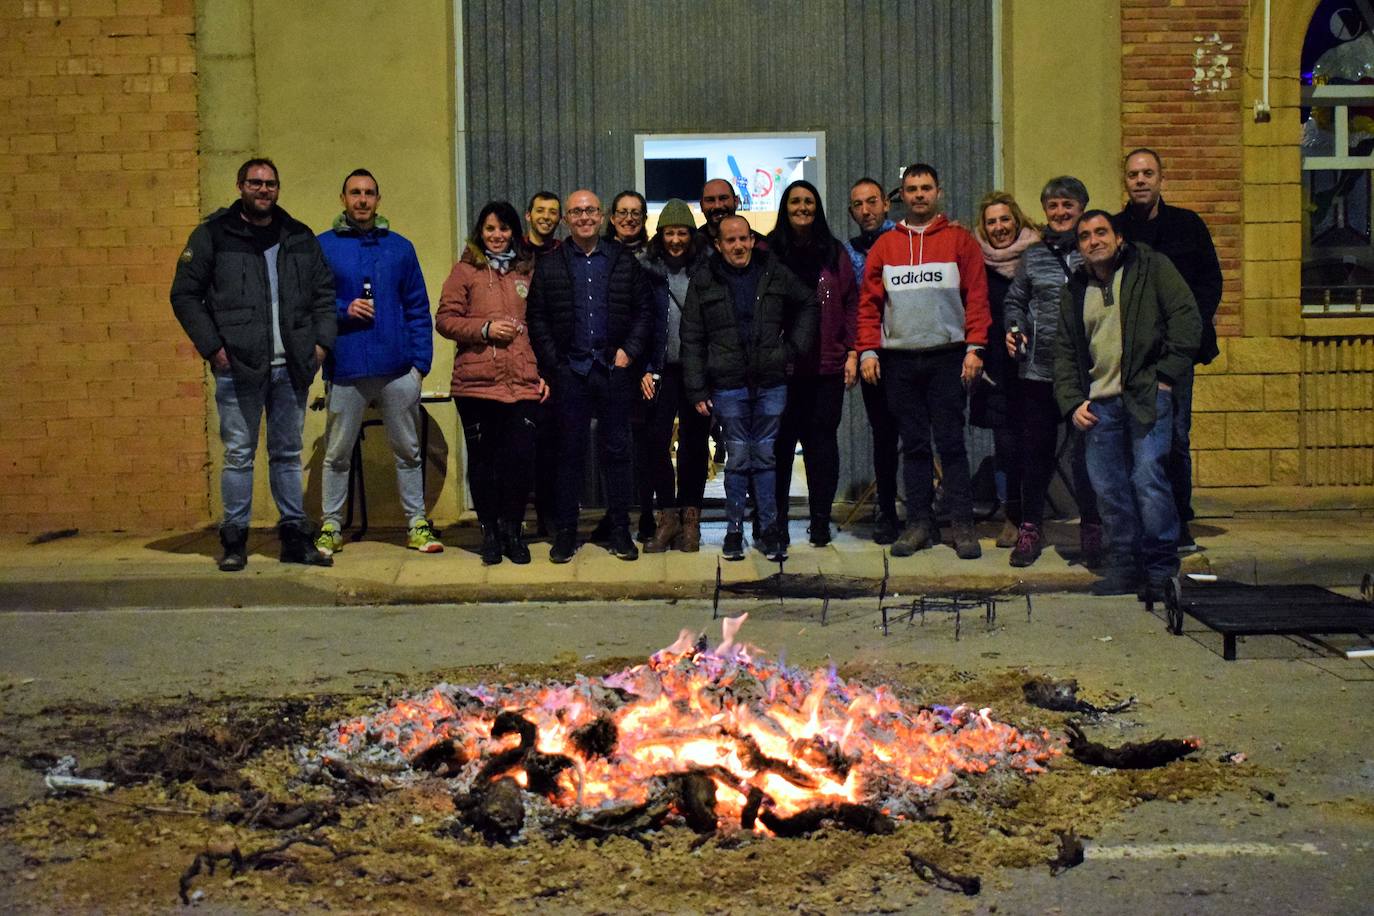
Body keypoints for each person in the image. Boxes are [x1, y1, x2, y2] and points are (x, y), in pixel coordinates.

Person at [170, 157, 335, 571]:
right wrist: (213, 348)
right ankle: (234, 540)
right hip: (238, 367)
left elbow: (324, 295)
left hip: (291, 367)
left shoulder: (298, 235)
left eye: (271, 184)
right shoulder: (213, 235)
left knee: (286, 453)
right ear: (240, 185)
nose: (264, 190)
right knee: (239, 454)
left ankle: (295, 538)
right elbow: (185, 295)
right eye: (256, 183)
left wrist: (320, 347)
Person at [1054, 211, 1200, 598]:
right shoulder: (1074, 290)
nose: (1093, 240)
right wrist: (1071, 403)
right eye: (1084, 236)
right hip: (1099, 404)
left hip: (1146, 395)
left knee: (1148, 479)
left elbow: (1186, 319)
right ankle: (1124, 563)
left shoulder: (1151, 268)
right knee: (1109, 489)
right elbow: (1065, 354)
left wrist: (1166, 376)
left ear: (1118, 238)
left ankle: (1160, 568)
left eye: (1101, 232)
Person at [857, 163, 991, 560]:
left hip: (948, 358)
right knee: (913, 445)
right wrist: (867, 350)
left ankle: (962, 524)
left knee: (951, 443)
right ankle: (919, 523)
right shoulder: (885, 246)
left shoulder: (960, 241)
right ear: (901, 194)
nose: (919, 195)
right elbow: (869, 306)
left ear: (938, 192)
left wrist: (975, 347)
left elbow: (978, 298)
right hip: (898, 361)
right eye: (912, 189)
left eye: (926, 188)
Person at [315, 169, 440, 558]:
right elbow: (311, 304)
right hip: (347, 367)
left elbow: (419, 308)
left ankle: (416, 524)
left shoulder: (400, 248)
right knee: (336, 453)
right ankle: (331, 526)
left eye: (369, 193)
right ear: (343, 198)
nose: (362, 200)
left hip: (397, 369)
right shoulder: (323, 247)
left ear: (379, 199)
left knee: (408, 451)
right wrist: (342, 309)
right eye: (355, 193)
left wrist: (419, 365)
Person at [526, 189, 654, 563]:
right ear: (567, 219)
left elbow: (644, 311)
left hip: (613, 372)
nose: (584, 217)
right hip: (571, 373)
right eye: (577, 211)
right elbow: (537, 318)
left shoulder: (622, 261)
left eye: (591, 211)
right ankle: (566, 533)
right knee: (568, 455)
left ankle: (619, 532)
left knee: (617, 453)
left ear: (602, 218)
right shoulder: (551, 264)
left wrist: (629, 350)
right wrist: (556, 363)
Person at [681, 214, 818, 561]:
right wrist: (697, 389)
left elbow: (808, 302)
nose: (739, 246)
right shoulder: (704, 279)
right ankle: (733, 530)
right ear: (718, 244)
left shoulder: (773, 271)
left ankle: (769, 529)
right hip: (727, 385)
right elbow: (692, 338)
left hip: (770, 382)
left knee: (767, 459)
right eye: (731, 240)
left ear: (752, 239)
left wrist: (792, 349)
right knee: (739, 460)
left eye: (744, 239)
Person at [1116, 149, 1223, 554]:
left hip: (1176, 354)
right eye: (1133, 174)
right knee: (1135, 438)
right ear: (1124, 180)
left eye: (1148, 173)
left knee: (1176, 437)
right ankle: (1141, 524)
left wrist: (1185, 334)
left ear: (1162, 178)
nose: (1140, 180)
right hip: (1129, 354)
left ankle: (1178, 521)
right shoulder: (1116, 228)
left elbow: (1210, 283)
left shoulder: (1188, 225)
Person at [436, 201, 547, 565]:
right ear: (479, 233)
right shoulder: (465, 270)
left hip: (522, 382)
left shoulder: (527, 271)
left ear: (514, 232)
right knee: (484, 461)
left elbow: (543, 325)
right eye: (489, 229)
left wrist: (542, 371)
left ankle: (514, 532)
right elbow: (446, 320)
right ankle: (490, 534)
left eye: (503, 229)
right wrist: (483, 329)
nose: (497, 236)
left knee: (519, 461)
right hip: (476, 383)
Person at [1003, 176, 1103, 568]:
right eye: (1053, 206)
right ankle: (1031, 527)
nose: (1060, 213)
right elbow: (1015, 301)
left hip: (1087, 375)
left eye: (1068, 205)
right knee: (1035, 454)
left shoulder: (1094, 250)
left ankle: (1092, 527)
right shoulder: (1034, 254)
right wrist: (1014, 329)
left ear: (1081, 208)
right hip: (1039, 372)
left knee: (1087, 455)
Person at [767, 179, 858, 547]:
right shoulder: (769, 249)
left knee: (822, 446)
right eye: (794, 202)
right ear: (784, 208)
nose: (802, 207)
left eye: (808, 201)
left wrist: (853, 350)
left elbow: (852, 301)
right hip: (781, 370)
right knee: (780, 447)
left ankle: (820, 520)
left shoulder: (833, 252)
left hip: (826, 368)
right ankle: (778, 523)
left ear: (816, 207)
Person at [637, 199, 711, 553]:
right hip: (659, 368)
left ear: (691, 235)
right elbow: (637, 319)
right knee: (655, 441)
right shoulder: (646, 269)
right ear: (660, 234)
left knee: (695, 446)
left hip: (696, 370)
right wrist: (642, 367)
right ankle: (668, 516)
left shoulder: (706, 269)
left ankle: (691, 518)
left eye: (683, 232)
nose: (676, 239)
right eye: (670, 232)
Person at [971, 190, 1039, 555]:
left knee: (1033, 444)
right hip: (996, 368)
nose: (999, 227)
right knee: (1006, 446)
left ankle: (1033, 517)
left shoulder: (1037, 255)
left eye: (1004, 219)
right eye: (991, 222)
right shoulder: (977, 262)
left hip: (1033, 367)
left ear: (1017, 219)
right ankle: (1013, 516)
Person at [844, 177, 901, 544]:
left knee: (915, 434)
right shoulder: (848, 252)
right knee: (883, 433)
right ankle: (887, 510)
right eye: (858, 205)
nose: (866, 211)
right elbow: (850, 305)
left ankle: (922, 511)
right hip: (871, 353)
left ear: (885, 204)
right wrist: (857, 350)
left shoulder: (907, 239)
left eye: (872, 202)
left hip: (911, 349)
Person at [603, 189, 658, 542]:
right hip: (610, 365)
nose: (628, 218)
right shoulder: (601, 254)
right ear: (612, 217)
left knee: (646, 444)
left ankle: (649, 514)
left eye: (635, 212)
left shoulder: (654, 257)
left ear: (644, 218)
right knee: (613, 444)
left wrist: (646, 366)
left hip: (643, 364)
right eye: (622, 212)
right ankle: (616, 514)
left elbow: (655, 317)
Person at [524, 191, 562, 257]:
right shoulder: (515, 250)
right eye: (540, 211)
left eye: (553, 212)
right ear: (528, 216)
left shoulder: (565, 253)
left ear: (560, 220)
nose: (546, 216)